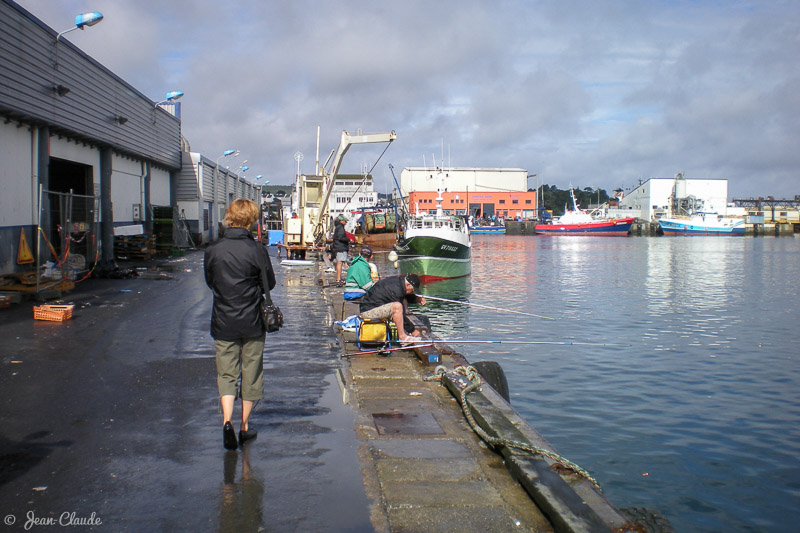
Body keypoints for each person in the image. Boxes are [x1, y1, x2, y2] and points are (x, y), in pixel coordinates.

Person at [204, 198, 276, 450]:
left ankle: (227, 421)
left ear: (229, 217)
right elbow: (270, 283)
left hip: (223, 320)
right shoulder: (257, 250)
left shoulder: (213, 249)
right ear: (251, 220)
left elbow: (210, 281)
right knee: (251, 372)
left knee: (226, 373)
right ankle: (244, 426)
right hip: (253, 321)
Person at [359, 274, 426, 343]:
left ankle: (404, 334)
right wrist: (412, 330)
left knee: (399, 304)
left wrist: (416, 299)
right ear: (408, 285)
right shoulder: (397, 289)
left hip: (372, 307)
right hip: (368, 311)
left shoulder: (399, 283)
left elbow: (404, 295)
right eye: (413, 290)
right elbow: (400, 313)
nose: (412, 292)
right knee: (397, 307)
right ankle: (402, 337)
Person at [331, 214, 350, 287]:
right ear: (341, 221)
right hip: (340, 248)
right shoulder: (340, 228)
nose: (345, 222)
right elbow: (341, 237)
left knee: (341, 262)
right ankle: (338, 280)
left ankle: (339, 279)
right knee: (340, 263)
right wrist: (349, 240)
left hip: (338, 247)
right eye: (345, 221)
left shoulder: (338, 227)